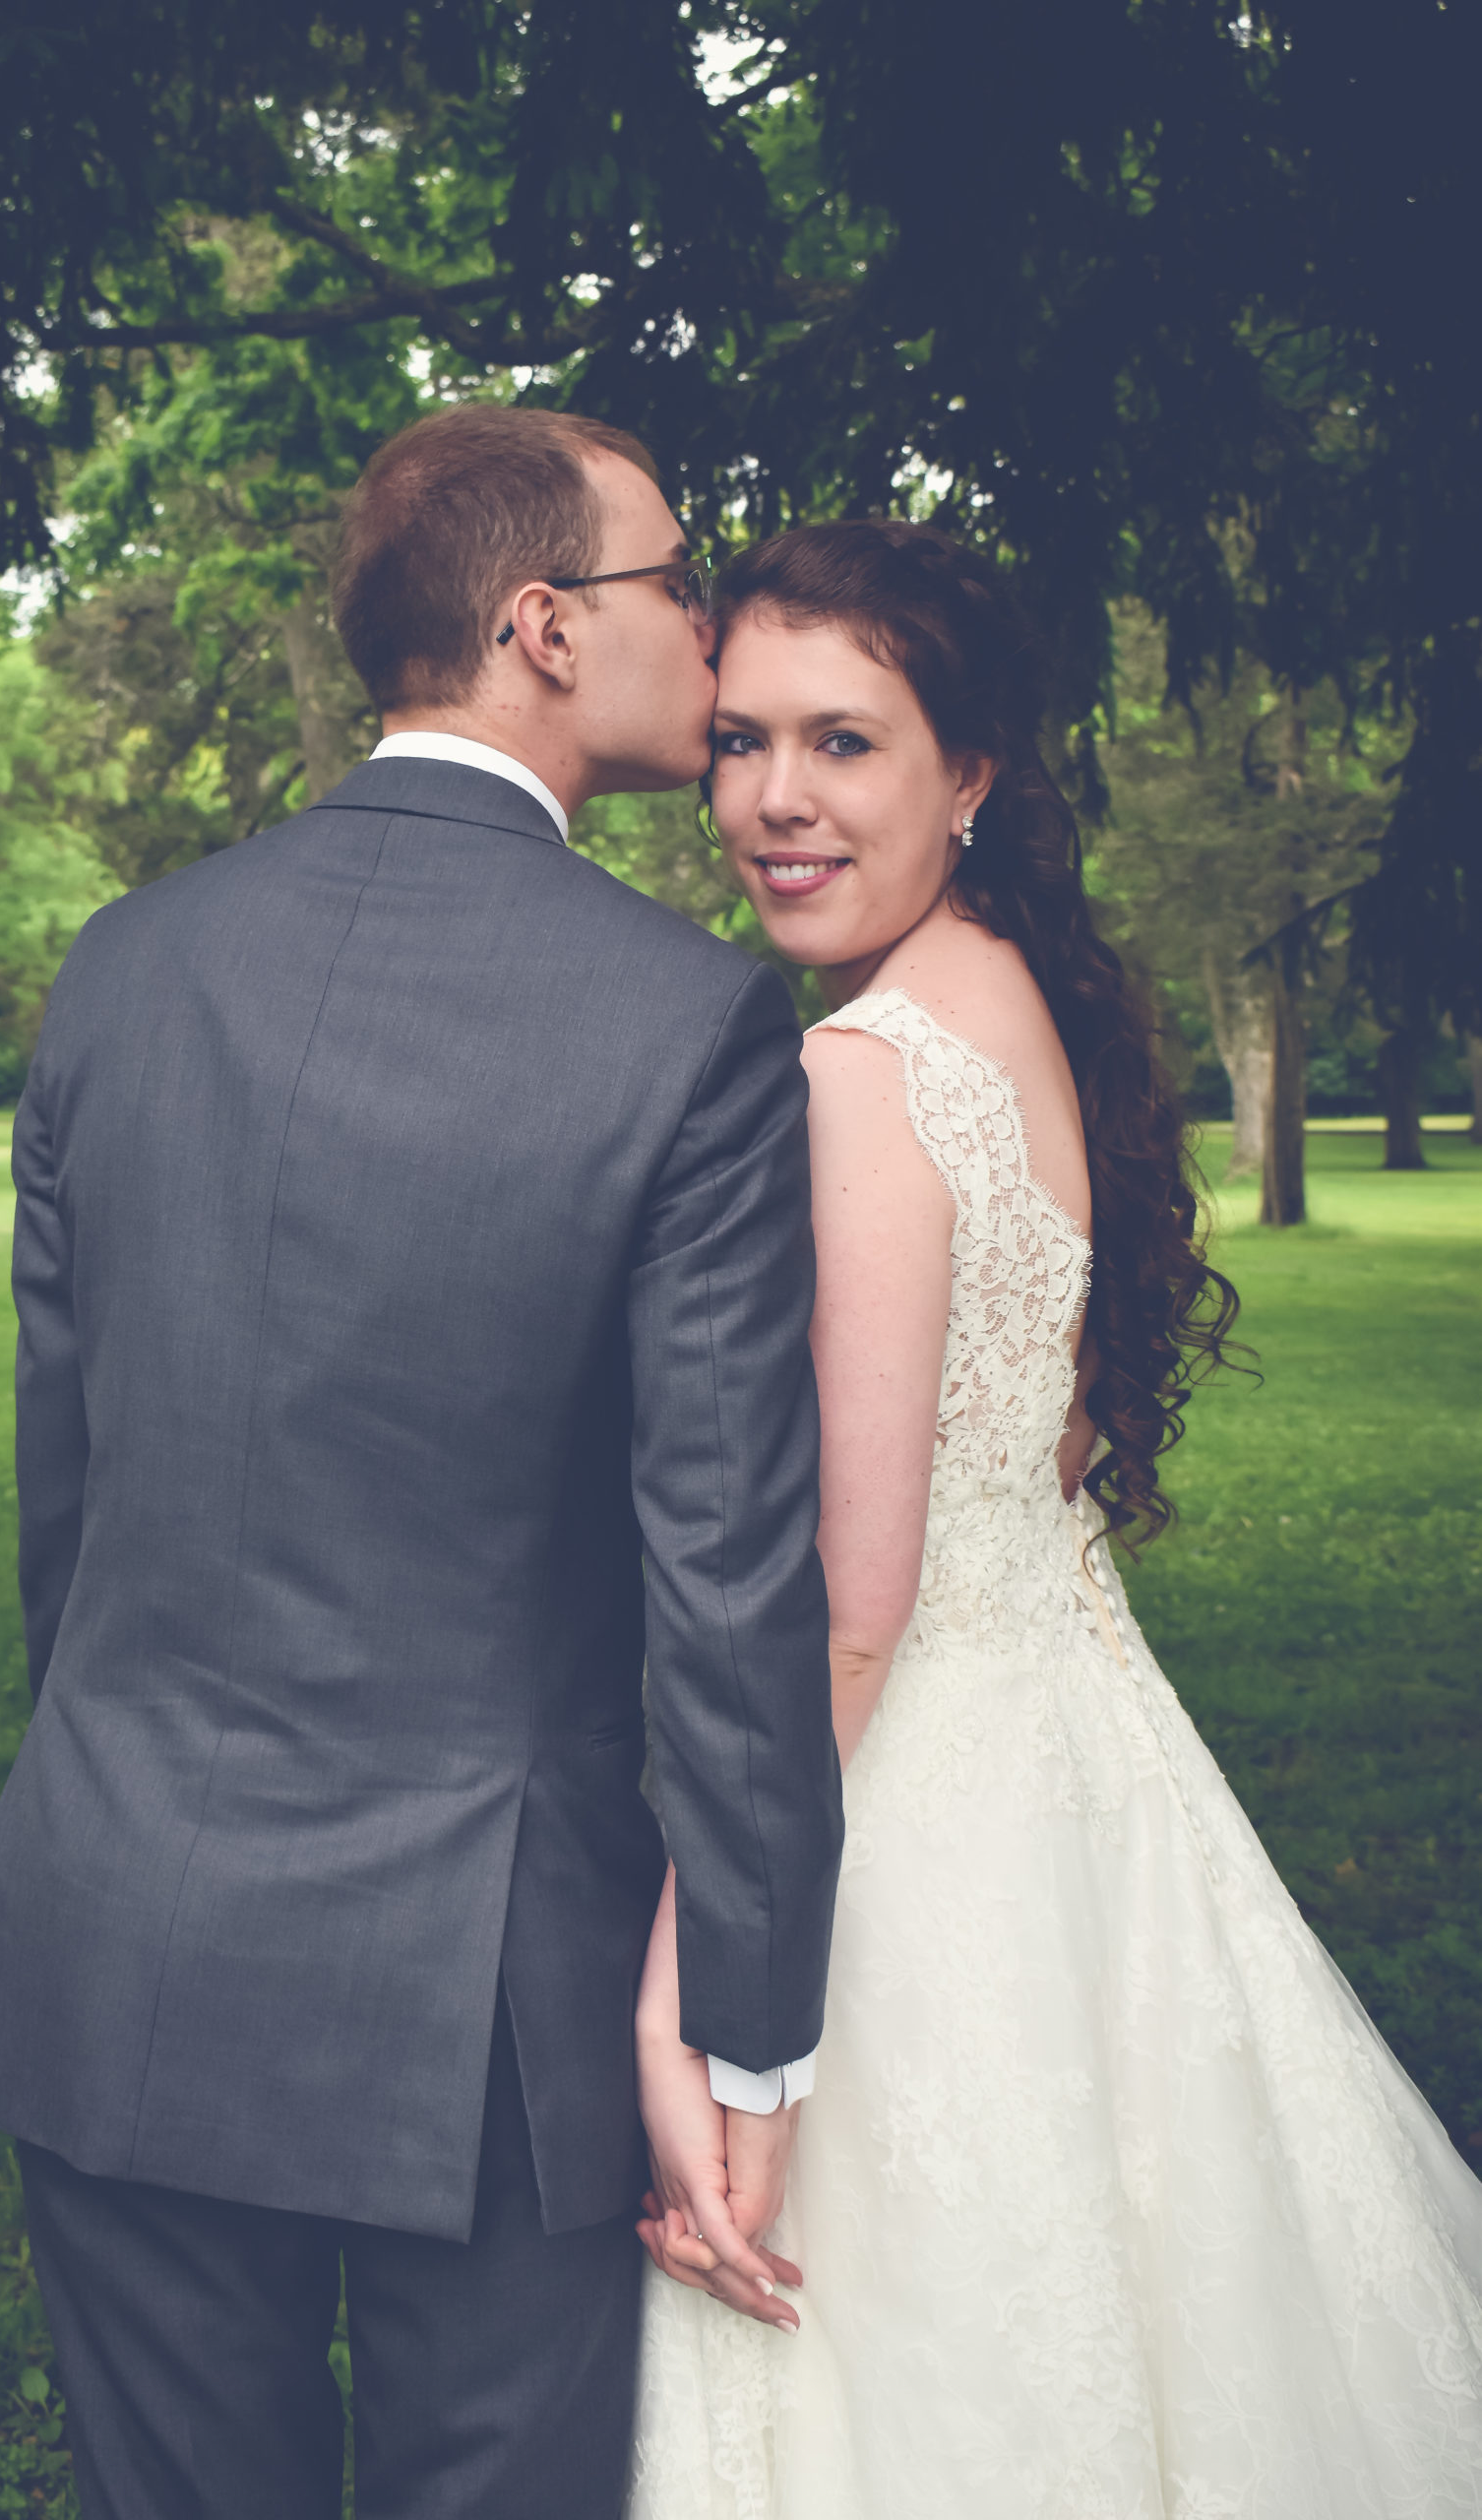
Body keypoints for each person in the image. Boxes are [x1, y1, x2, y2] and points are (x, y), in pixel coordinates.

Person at [0, 405, 843, 2520]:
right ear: (541, 625)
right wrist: (750, 2032)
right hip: (485, 2011)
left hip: (114, 1927)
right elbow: (726, 1582)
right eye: (673, 585)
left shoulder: (123, 967)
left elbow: (66, 1511)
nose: (703, 635)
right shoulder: (686, 1022)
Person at [629, 518, 1482, 2518]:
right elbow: (1047, 1453)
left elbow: (858, 1595)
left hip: (914, 1803)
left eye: (842, 742)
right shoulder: (1006, 988)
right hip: (1081, 1759)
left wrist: (698, 1970)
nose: (770, 799)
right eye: (740, 739)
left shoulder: (859, 1067)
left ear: (972, 768)